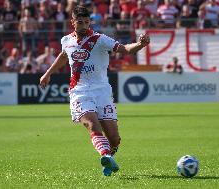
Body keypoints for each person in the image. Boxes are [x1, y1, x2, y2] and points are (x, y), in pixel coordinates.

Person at [39, 5, 150, 176]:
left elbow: (126, 49)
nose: (83, 25)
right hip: (79, 91)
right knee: (92, 124)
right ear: (73, 22)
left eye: (86, 22)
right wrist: (48, 73)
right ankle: (105, 155)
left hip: (102, 92)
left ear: (90, 22)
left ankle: (109, 157)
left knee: (114, 138)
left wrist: (140, 44)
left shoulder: (100, 39)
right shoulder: (66, 41)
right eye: (79, 22)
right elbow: (63, 55)